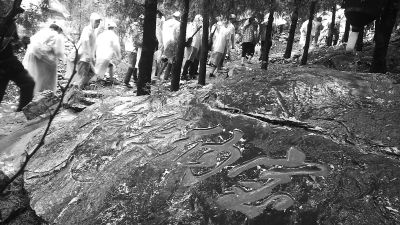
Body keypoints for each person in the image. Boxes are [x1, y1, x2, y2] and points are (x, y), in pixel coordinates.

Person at [0, 21, 35, 111]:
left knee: (28, 83)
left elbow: (14, 44)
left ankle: (22, 113)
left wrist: (22, 42)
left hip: (10, 62)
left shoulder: (11, 23)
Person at [23, 23, 65, 94]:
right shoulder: (56, 35)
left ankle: (34, 93)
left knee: (36, 76)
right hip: (43, 57)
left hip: (33, 55)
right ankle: (47, 94)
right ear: (58, 29)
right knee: (47, 77)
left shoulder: (42, 32)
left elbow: (31, 43)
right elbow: (58, 52)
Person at [72, 13, 101, 88]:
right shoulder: (87, 29)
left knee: (91, 74)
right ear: (92, 21)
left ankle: (79, 89)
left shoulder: (93, 31)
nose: (98, 23)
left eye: (99, 22)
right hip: (84, 58)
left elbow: (93, 45)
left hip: (88, 58)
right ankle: (76, 92)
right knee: (82, 76)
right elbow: (84, 41)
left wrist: (93, 56)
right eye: (97, 21)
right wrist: (88, 55)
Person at [159, 11, 181, 80]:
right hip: (173, 42)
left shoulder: (166, 22)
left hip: (165, 41)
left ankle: (159, 75)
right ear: (178, 17)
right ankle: (165, 77)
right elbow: (177, 34)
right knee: (171, 60)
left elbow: (162, 31)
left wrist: (162, 42)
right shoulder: (178, 24)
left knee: (165, 59)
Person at [181, 14, 202, 80]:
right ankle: (185, 74)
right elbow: (200, 35)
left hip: (190, 43)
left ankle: (189, 74)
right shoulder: (198, 25)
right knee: (191, 59)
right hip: (195, 43)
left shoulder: (189, 24)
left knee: (190, 58)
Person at [123, 19, 138, 88]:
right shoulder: (134, 34)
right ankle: (126, 81)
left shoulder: (128, 34)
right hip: (132, 51)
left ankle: (135, 79)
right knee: (132, 66)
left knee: (134, 65)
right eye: (136, 26)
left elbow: (124, 41)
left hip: (129, 50)